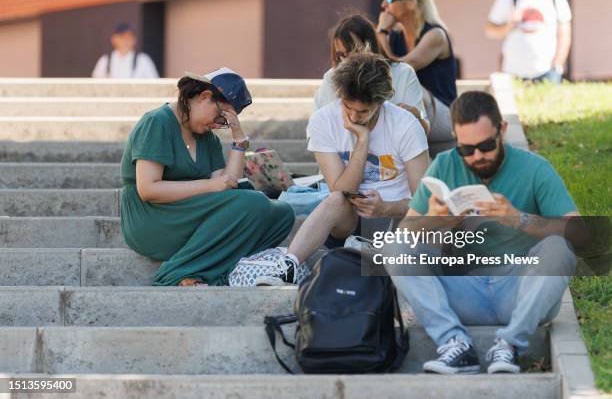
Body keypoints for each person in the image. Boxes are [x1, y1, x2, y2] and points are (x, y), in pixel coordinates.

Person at [388, 91, 579, 374]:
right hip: (461, 291)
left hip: (520, 292)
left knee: (561, 245)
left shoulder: (535, 168)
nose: (477, 156)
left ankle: (511, 344)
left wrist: (520, 220)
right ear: (455, 138)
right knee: (394, 246)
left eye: (486, 145)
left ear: (502, 130)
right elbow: (406, 232)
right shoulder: (444, 165)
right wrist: (434, 220)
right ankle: (455, 343)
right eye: (467, 149)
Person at [256, 52, 430, 286]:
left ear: (381, 102)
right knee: (337, 198)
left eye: (364, 111)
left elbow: (425, 204)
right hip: (346, 221)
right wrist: (362, 141)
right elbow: (341, 189)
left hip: (394, 219)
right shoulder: (323, 121)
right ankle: (288, 266)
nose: (354, 117)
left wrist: (385, 207)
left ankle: (368, 251)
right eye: (348, 107)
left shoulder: (406, 125)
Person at [120, 67, 295, 286]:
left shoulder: (206, 137)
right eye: (221, 117)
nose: (217, 125)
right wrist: (211, 184)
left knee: (282, 214)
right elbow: (148, 190)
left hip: (191, 213)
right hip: (152, 217)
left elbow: (226, 185)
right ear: (205, 97)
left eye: (224, 123)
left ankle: (216, 271)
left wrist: (239, 138)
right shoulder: (157, 122)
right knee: (255, 202)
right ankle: (175, 273)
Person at [376, 0, 456, 149]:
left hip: (444, 119)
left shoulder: (435, 34)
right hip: (413, 114)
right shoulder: (395, 37)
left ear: (411, 3)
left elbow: (401, 68)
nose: (383, 5)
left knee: (408, 81)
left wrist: (380, 33)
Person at [315, 13, 429, 134]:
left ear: (371, 46)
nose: (347, 60)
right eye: (341, 55)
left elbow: (424, 130)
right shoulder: (331, 77)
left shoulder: (402, 73)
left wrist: (417, 116)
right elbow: (316, 132)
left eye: (354, 51)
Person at [485, 0, 572, 83]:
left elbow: (564, 35)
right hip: (513, 73)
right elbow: (489, 31)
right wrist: (509, 25)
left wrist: (557, 64)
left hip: (547, 73)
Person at [92, 23, 160, 78]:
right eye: (122, 36)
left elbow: (154, 84)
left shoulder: (143, 60)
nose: (126, 40)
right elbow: (95, 85)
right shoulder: (105, 60)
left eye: (129, 36)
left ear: (134, 40)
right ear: (114, 39)